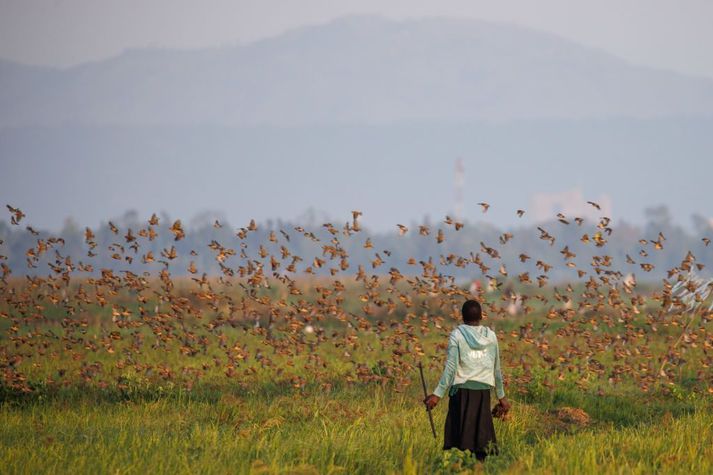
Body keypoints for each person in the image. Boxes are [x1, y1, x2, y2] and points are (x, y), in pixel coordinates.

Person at [423, 299, 510, 462]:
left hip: (462, 393)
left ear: (462, 317)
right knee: (480, 441)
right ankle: (477, 469)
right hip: (483, 394)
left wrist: (437, 395)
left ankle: (463, 469)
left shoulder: (457, 335)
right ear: (481, 317)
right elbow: (496, 369)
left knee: (461, 443)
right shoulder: (491, 336)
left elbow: (450, 368)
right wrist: (502, 397)